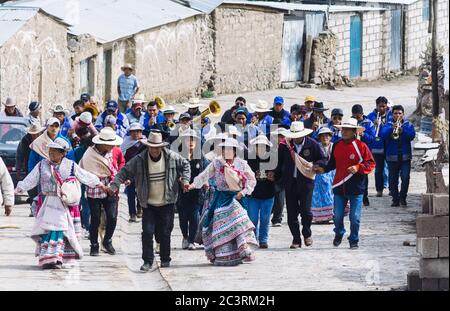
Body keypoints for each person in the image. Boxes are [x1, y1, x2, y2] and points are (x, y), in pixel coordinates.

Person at [15, 138, 104, 269]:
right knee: (49, 230)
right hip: (48, 203)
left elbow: (84, 176)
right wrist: (19, 189)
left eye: (55, 151)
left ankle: (59, 258)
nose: (51, 153)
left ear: (63, 153)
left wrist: (98, 183)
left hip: (65, 205)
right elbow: (31, 179)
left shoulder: (71, 165)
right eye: (50, 150)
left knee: (61, 231)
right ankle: (49, 258)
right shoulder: (42, 165)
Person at [109, 131, 190, 271]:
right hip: (148, 203)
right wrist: (114, 185)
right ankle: (147, 261)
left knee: (165, 232)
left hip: (167, 202)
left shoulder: (171, 157)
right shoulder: (139, 159)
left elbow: (185, 165)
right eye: (151, 147)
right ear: (148, 147)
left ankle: (165, 259)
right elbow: (124, 172)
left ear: (161, 147)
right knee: (147, 232)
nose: (154, 150)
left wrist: (185, 179)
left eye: (157, 147)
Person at [188, 138, 257, 266]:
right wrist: (193, 185)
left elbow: (252, 180)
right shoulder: (216, 163)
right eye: (225, 149)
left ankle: (243, 246)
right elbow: (204, 175)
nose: (228, 151)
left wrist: (243, 192)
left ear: (235, 151)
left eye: (231, 149)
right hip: (220, 198)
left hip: (237, 197)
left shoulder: (242, 164)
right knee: (220, 224)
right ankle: (224, 254)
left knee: (238, 219)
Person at [314, 118, 375, 249]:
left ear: (354, 132)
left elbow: (370, 163)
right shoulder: (337, 145)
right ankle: (339, 232)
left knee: (355, 217)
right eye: (343, 129)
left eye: (347, 130)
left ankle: (354, 239)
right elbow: (332, 164)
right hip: (339, 186)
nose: (344, 132)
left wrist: (358, 167)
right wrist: (323, 169)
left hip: (356, 187)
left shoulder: (361, 146)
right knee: (337, 216)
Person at [276, 121, 328, 248]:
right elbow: (279, 163)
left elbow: (323, 159)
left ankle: (306, 233)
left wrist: (317, 165)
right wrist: (276, 177)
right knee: (292, 214)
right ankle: (296, 239)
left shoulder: (312, 144)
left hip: (306, 182)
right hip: (290, 183)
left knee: (306, 212)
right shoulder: (285, 146)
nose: (295, 138)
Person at [79, 128, 123, 256]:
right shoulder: (89, 155)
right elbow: (86, 174)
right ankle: (94, 244)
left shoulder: (110, 152)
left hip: (110, 188)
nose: (113, 146)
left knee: (112, 217)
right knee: (96, 218)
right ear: (102, 143)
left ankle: (107, 240)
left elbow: (113, 169)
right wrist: (100, 185)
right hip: (94, 190)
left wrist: (114, 183)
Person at [380, 105, 416, 207]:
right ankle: (395, 199)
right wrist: (392, 128)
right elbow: (382, 135)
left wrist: (402, 131)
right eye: (395, 113)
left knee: (405, 177)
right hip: (392, 157)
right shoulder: (388, 124)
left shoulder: (407, 125)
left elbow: (412, 136)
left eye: (400, 113)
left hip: (405, 157)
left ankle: (403, 197)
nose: (398, 115)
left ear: (403, 114)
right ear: (392, 114)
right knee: (393, 179)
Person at [176, 129, 205, 250]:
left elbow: (204, 172)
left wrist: (204, 182)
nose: (191, 142)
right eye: (188, 139)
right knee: (183, 217)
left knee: (194, 216)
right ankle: (185, 236)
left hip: (196, 191)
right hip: (182, 191)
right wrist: (180, 180)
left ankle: (192, 240)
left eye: (193, 139)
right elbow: (175, 171)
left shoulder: (200, 156)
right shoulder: (178, 156)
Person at [247, 134, 276, 248]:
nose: (261, 148)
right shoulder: (250, 159)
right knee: (253, 218)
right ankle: (254, 238)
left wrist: (274, 176)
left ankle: (263, 239)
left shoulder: (273, 158)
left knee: (265, 218)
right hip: (253, 194)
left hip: (268, 194)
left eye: (263, 146)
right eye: (258, 146)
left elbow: (279, 173)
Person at [367, 96, 393, 197]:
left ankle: (392, 189)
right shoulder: (370, 116)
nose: (382, 109)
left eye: (384, 106)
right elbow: (367, 131)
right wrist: (373, 125)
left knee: (391, 169)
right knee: (378, 170)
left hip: (390, 146)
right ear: (376, 106)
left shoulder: (391, 115)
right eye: (380, 106)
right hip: (377, 147)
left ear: (386, 106)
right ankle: (379, 190)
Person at [16, 123, 44, 216]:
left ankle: (41, 209)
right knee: (32, 190)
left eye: (37, 133)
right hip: (30, 166)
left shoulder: (44, 139)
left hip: (43, 167)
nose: (35, 135)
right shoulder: (25, 140)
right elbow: (19, 155)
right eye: (33, 133)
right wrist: (18, 168)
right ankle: (33, 209)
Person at [121, 123, 147, 222]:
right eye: (133, 131)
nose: (136, 133)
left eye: (138, 131)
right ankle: (132, 213)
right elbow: (122, 157)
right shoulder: (126, 143)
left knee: (141, 192)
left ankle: (140, 208)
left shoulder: (146, 142)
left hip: (142, 171)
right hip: (130, 171)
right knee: (130, 194)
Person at [352, 104, 376, 207]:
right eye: (354, 116)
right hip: (352, 152)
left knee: (363, 176)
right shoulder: (350, 123)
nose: (356, 118)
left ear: (362, 114)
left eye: (358, 116)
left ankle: (364, 196)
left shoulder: (369, 124)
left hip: (364, 153)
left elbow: (372, 138)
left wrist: (363, 135)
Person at [311, 127, 335, 224]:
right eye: (322, 136)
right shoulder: (316, 147)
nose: (325, 137)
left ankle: (329, 216)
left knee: (329, 194)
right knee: (317, 195)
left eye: (327, 136)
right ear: (319, 137)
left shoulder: (334, 146)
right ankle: (318, 217)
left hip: (331, 174)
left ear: (330, 137)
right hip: (319, 175)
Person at [270, 127, 287, 227]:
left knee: (280, 199)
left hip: (282, 177)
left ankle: (277, 218)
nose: (281, 138)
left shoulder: (288, 149)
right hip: (270, 176)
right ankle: (270, 214)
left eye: (282, 136)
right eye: (278, 136)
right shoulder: (269, 149)